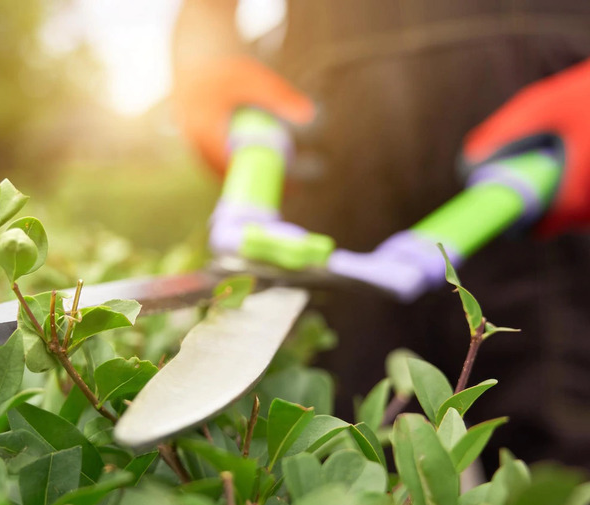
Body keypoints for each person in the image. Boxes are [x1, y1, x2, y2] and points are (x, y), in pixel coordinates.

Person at [171, 0, 590, 472]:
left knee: (564, 468)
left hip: (547, 101)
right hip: (334, 132)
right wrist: (205, 56)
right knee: (335, 462)